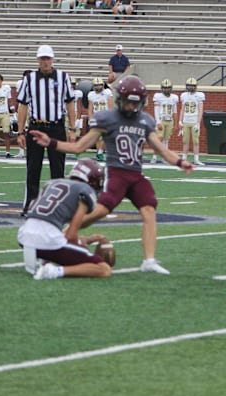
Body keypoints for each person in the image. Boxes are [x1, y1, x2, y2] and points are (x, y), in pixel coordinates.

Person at [30, 75, 195, 275]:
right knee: (99, 211)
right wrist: (52, 143)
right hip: (116, 173)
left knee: (149, 210)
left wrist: (180, 162)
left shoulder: (145, 121)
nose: (132, 107)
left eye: (136, 103)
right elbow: (80, 146)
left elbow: (161, 149)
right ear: (120, 99)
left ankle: (149, 260)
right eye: (128, 102)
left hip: (136, 175)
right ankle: (62, 237)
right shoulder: (107, 119)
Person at [18, 158, 112, 279]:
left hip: (24, 235)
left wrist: (84, 240)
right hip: (47, 239)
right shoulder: (85, 190)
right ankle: (53, 271)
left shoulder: (52, 183)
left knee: (61, 243)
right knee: (103, 269)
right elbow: (71, 235)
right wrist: (84, 242)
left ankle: (46, 259)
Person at [16, 45, 77, 216]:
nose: (45, 62)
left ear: (52, 60)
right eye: (42, 59)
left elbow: (70, 103)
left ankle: (58, 206)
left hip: (56, 127)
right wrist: (20, 132)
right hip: (36, 127)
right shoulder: (29, 79)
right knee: (33, 168)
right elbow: (23, 105)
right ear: (38, 60)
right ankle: (31, 204)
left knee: (58, 169)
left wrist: (72, 128)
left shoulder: (63, 77)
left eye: (48, 59)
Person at [179, 77, 206, 166]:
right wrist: (180, 121)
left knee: (196, 141)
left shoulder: (199, 95)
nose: (191, 87)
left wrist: (198, 122)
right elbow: (182, 109)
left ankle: (196, 159)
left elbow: (200, 109)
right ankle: (184, 159)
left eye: (192, 86)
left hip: (194, 121)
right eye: (189, 86)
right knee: (185, 141)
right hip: (186, 121)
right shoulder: (184, 96)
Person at [151, 79, 179, 163]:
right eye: (165, 88)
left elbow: (175, 111)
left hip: (169, 120)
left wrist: (176, 123)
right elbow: (156, 110)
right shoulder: (158, 96)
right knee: (159, 139)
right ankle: (154, 157)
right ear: (162, 88)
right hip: (162, 120)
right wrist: (158, 122)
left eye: (168, 88)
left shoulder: (174, 97)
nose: (166, 89)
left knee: (166, 140)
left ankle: (165, 157)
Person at [88, 77, 114, 161]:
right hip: (96, 117)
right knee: (97, 137)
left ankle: (100, 152)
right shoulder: (91, 94)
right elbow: (90, 108)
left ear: (103, 85)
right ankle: (99, 153)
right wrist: (90, 118)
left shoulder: (107, 92)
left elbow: (111, 106)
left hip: (106, 117)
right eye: (96, 85)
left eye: (99, 85)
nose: (98, 87)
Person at [67, 77, 85, 159]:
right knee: (66, 133)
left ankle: (74, 150)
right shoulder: (64, 92)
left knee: (76, 134)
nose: (72, 86)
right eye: (71, 84)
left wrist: (78, 118)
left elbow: (79, 106)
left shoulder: (78, 93)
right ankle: (67, 150)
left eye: (73, 84)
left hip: (75, 114)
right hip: (66, 114)